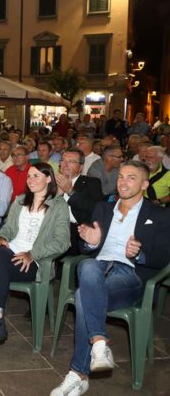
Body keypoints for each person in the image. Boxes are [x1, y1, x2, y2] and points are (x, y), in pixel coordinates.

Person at [51, 161, 170, 396]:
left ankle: (79, 371)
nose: (123, 182)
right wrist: (91, 243)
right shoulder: (103, 209)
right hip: (97, 269)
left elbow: (164, 256)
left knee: (83, 296)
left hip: (129, 275)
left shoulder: (159, 214)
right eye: (121, 177)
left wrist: (140, 253)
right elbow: (86, 249)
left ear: (144, 184)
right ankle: (97, 345)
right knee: (87, 264)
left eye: (131, 178)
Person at [0, 163, 70, 353]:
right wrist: (1, 237)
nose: (30, 180)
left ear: (48, 179)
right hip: (9, 255)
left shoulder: (59, 206)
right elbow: (8, 229)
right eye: (29, 176)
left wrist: (33, 254)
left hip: (34, 261)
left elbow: (63, 242)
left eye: (36, 176)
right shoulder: (20, 201)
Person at [56, 147, 103, 254]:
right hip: (51, 227)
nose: (65, 164)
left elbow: (94, 208)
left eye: (71, 161)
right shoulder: (51, 182)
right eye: (63, 160)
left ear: (81, 167)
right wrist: (56, 196)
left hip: (76, 231)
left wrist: (70, 191)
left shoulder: (92, 182)